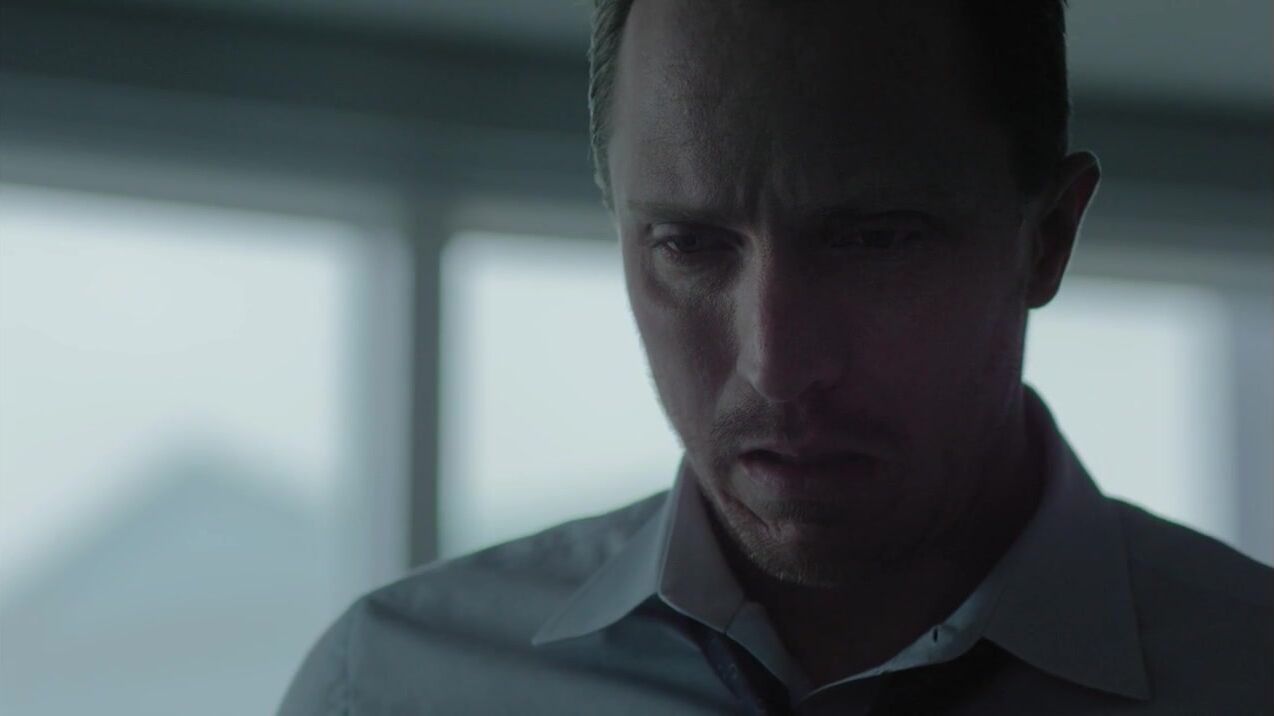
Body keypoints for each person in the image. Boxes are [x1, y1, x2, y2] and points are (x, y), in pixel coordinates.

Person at [279, 1, 1272, 713]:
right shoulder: (384, 688)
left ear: (1047, 237)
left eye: (874, 240)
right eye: (689, 244)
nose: (776, 364)